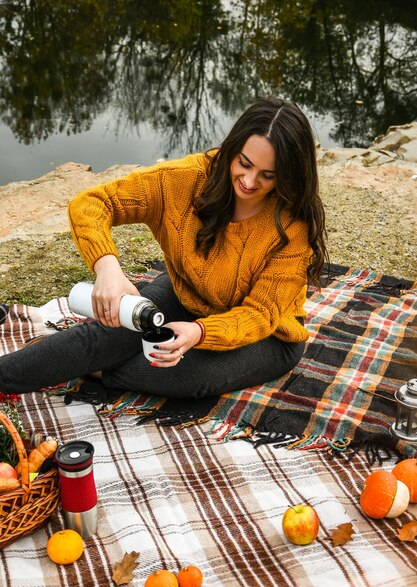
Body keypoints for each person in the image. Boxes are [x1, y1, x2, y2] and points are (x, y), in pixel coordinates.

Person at [0, 97, 328, 399]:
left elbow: (260, 315)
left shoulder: (293, 225)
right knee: (101, 336)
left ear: (287, 175)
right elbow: (92, 203)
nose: (250, 181)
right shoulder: (184, 180)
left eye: (268, 176)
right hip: (187, 295)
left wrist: (199, 333)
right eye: (243, 163)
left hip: (267, 336)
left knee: (187, 375)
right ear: (233, 148)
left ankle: (89, 368)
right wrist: (107, 266)